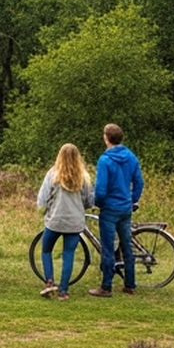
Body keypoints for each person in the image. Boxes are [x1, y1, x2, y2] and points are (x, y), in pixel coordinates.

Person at [89, 122, 145, 297]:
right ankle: (130, 284)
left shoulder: (105, 160)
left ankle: (106, 286)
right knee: (126, 246)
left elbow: (101, 188)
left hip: (109, 208)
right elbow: (139, 182)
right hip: (125, 208)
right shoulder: (131, 157)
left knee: (107, 247)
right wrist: (132, 199)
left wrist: (98, 202)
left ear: (106, 138)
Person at [35, 143, 94, 300]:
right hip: (74, 223)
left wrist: (44, 209)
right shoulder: (83, 177)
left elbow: (42, 199)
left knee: (46, 250)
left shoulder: (52, 174)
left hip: (55, 220)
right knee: (68, 254)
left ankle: (49, 282)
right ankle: (63, 291)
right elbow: (89, 201)